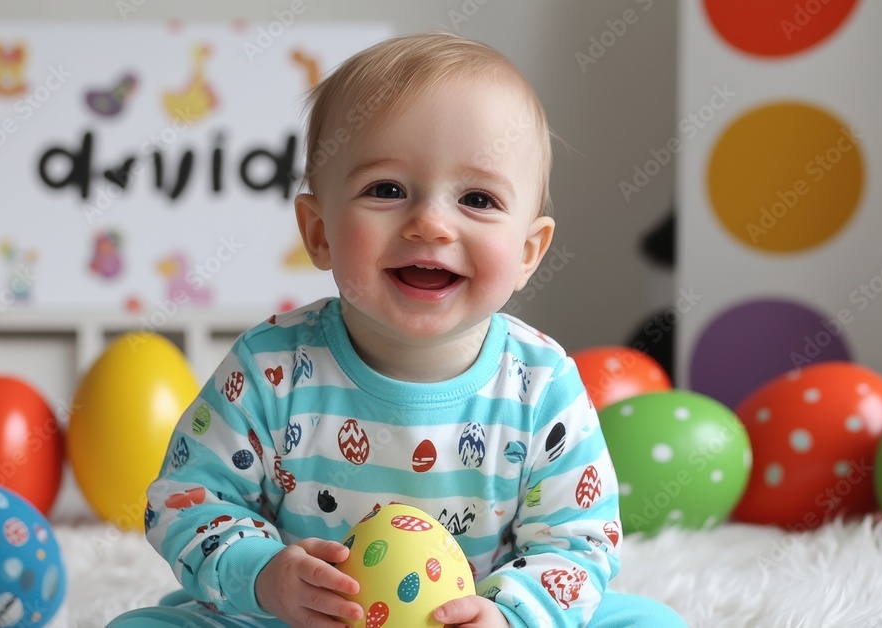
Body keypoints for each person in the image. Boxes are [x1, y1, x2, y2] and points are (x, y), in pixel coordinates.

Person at [109, 32, 686, 628]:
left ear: (528, 252)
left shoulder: (540, 385)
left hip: (471, 617)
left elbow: (578, 539)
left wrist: (510, 614)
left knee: (653, 623)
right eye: (387, 189)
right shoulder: (272, 368)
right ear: (319, 232)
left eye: (478, 198)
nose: (431, 223)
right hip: (298, 619)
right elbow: (189, 499)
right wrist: (265, 574)